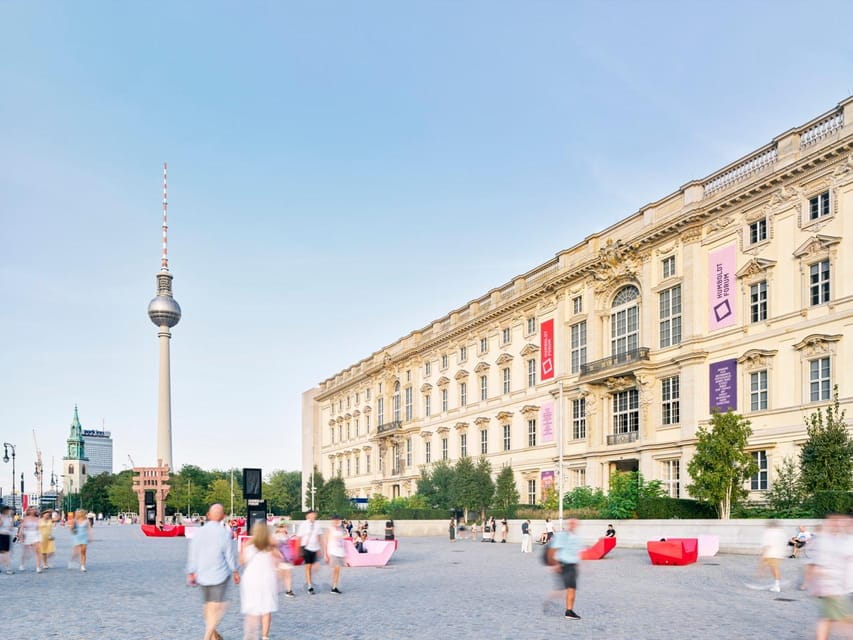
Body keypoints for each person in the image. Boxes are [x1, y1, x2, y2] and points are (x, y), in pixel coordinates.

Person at [186, 503, 240, 640]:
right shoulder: (224, 533)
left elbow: (193, 552)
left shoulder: (200, 532)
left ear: (208, 515)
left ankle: (215, 637)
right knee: (218, 608)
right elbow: (229, 554)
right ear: (223, 516)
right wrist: (235, 571)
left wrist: (191, 571)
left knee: (208, 608)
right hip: (219, 575)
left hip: (203, 574)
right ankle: (208, 637)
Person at [803, 514, 853, 640]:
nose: (840, 525)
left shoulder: (838, 539)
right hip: (834, 588)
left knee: (827, 619)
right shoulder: (827, 540)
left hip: (836, 588)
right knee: (844, 619)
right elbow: (818, 565)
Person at [239, 522, 280, 640]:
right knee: (266, 610)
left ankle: (249, 636)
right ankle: (265, 636)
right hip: (266, 579)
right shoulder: (270, 546)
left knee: (252, 610)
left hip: (251, 579)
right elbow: (278, 559)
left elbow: (242, 561)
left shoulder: (247, 544)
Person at [546, 519, 584, 620]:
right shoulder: (562, 536)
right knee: (570, 589)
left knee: (566, 588)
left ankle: (567, 609)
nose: (573, 525)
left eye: (575, 524)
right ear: (568, 525)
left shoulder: (576, 538)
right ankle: (569, 611)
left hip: (572, 565)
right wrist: (554, 564)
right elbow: (552, 550)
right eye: (571, 523)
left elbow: (578, 552)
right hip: (564, 564)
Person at [297, 509, 322, 594]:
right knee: (308, 566)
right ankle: (309, 586)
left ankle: (309, 580)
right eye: (311, 514)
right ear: (307, 516)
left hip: (315, 547)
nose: (313, 516)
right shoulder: (303, 525)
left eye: (314, 514)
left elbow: (319, 537)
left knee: (315, 566)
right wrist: (299, 549)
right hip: (306, 547)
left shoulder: (317, 525)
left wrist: (319, 548)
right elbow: (299, 537)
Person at [759, 520, 788, 592]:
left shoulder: (769, 532)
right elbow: (785, 542)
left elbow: (767, 544)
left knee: (774, 569)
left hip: (771, 553)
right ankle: (776, 584)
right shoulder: (781, 532)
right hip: (779, 553)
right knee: (774, 568)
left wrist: (763, 555)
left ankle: (777, 585)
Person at [272, 523, 295, 598]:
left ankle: (289, 590)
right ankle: (272, 589)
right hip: (279, 558)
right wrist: (279, 556)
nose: (284, 528)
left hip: (287, 558)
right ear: (278, 528)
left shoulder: (286, 536)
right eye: (281, 527)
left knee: (288, 574)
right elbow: (274, 547)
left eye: (285, 527)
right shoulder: (275, 536)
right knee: (279, 575)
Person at [325, 514, 346, 594]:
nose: (336, 521)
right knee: (336, 568)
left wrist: (344, 554)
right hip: (333, 552)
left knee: (337, 570)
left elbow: (342, 541)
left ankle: (335, 586)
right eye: (335, 520)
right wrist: (325, 554)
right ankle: (333, 587)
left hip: (340, 552)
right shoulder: (329, 529)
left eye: (338, 520)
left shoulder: (341, 529)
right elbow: (326, 541)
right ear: (332, 521)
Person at [17, 507, 42, 573]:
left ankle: (38, 567)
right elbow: (21, 528)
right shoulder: (25, 519)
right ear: (28, 511)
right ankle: (22, 564)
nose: (32, 511)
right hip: (28, 535)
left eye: (34, 509)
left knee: (37, 551)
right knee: (26, 553)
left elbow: (39, 528)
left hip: (36, 535)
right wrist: (20, 536)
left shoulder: (38, 519)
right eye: (31, 510)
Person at [0, 506, 14, 574]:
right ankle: (8, 569)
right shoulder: (0, 516)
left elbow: (11, 528)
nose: (10, 512)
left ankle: (8, 568)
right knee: (5, 553)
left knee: (4, 553)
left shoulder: (10, 518)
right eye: (9, 510)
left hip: (7, 536)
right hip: (1, 536)